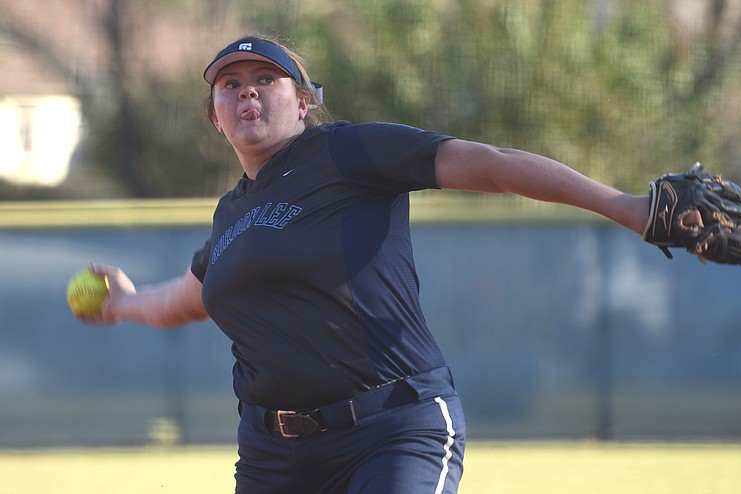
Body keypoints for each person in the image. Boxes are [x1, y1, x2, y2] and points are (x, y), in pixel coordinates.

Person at [79, 33, 673, 494]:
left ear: (307, 101)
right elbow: (185, 301)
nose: (247, 91)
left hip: (391, 429)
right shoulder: (231, 215)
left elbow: (492, 163)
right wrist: (123, 302)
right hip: (273, 457)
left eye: (267, 78)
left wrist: (627, 208)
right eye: (230, 85)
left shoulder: (348, 152)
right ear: (214, 114)